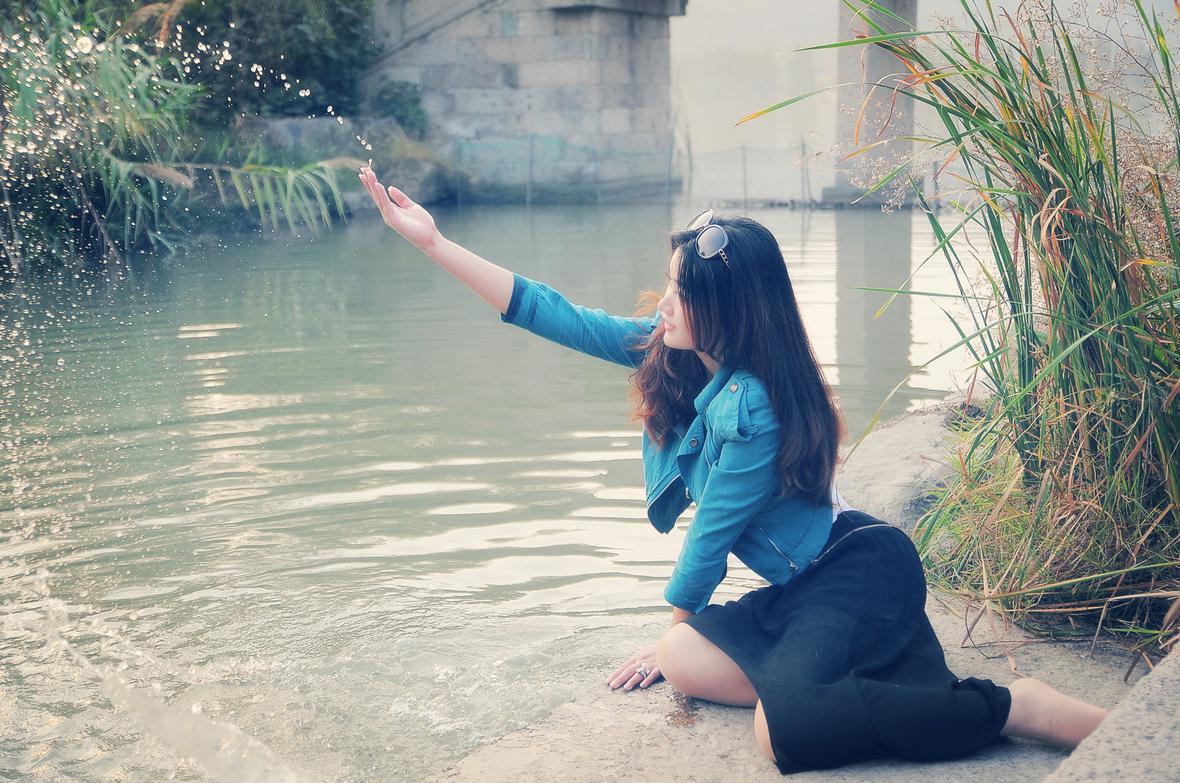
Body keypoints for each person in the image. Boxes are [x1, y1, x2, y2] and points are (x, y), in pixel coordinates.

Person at [357, 166, 1109, 774]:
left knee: (783, 733)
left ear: (729, 306)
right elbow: (558, 314)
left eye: (682, 292)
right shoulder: (684, 354)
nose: (666, 304)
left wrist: (673, 623)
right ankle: (830, 674)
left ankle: (1014, 707)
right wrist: (434, 242)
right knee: (682, 658)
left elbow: (710, 536)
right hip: (803, 588)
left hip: (857, 570)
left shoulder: (753, 405)